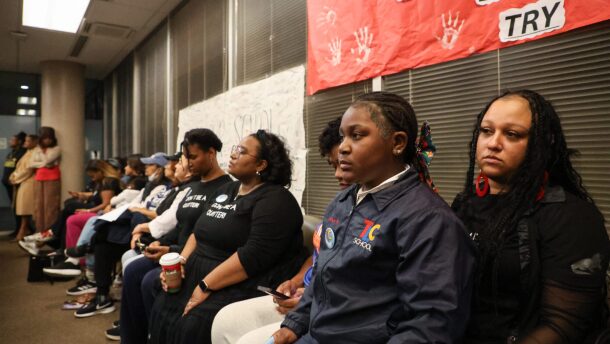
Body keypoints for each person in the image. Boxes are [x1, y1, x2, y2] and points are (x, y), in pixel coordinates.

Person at [272, 91, 476, 343]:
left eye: (356, 136)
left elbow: (430, 323)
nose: (344, 147)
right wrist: (294, 325)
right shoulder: (342, 201)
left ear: (397, 142)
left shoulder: (429, 221)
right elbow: (323, 274)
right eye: (343, 136)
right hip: (317, 334)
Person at [451, 89, 610, 343]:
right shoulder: (465, 203)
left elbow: (563, 326)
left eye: (512, 134)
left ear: (540, 144)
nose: (493, 143)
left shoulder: (570, 217)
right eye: (487, 131)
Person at [148, 130, 307, 344]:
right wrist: (181, 262)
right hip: (200, 272)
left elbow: (252, 256)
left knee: (192, 325)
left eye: (241, 152)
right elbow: (199, 231)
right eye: (235, 149)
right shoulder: (227, 189)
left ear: (261, 164)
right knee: (162, 306)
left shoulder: (276, 200)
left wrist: (205, 285)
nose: (233, 155)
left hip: (238, 281)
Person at [211, 116, 348, 344]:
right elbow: (318, 258)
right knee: (225, 321)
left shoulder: (276, 201)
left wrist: (312, 297)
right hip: (309, 294)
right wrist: (296, 282)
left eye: (343, 165)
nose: (337, 175)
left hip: (328, 304)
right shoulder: (340, 203)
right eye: (333, 165)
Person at [115, 129, 232, 343]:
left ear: (212, 153)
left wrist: (172, 251)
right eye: (186, 157)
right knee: (132, 270)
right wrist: (162, 242)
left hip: (192, 257)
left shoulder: (226, 188)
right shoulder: (193, 187)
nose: (187, 163)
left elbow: (206, 234)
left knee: (150, 281)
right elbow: (181, 224)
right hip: (172, 251)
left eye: (193, 157)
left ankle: (158, 334)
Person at [42, 159, 122, 277]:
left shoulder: (108, 182)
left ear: (100, 171)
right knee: (71, 216)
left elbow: (106, 203)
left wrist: (88, 210)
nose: (92, 178)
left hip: (104, 213)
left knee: (72, 212)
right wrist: (82, 196)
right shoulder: (102, 181)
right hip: (100, 211)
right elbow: (96, 196)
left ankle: (71, 255)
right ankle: (67, 252)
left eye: (93, 175)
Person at [30, 126, 61, 233]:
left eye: (50, 138)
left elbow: (48, 160)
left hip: (52, 178)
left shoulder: (56, 149)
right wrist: (43, 163)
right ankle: (39, 231)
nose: (47, 140)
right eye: (45, 137)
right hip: (39, 178)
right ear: (41, 138)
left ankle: (49, 232)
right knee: (38, 206)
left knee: (50, 206)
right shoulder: (36, 149)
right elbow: (31, 164)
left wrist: (41, 155)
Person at [9, 134, 37, 241]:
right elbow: (19, 167)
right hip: (23, 181)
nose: (25, 143)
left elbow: (28, 170)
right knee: (22, 208)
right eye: (25, 141)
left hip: (29, 182)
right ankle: (23, 229)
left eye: (28, 141)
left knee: (25, 208)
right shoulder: (28, 152)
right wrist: (13, 176)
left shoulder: (34, 152)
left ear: (35, 142)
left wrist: (15, 179)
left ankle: (23, 230)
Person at [3, 131, 27, 236]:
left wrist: (14, 179)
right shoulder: (12, 152)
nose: (10, 141)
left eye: (13, 140)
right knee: (14, 208)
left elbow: (20, 169)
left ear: (20, 141)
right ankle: (19, 228)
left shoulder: (22, 153)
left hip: (15, 184)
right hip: (8, 185)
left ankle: (20, 229)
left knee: (18, 208)